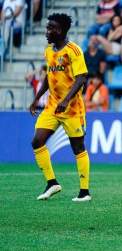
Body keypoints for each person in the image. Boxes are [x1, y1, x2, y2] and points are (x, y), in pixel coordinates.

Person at [29, 13, 91, 202]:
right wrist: (36, 98)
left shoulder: (74, 50)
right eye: (47, 28)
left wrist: (66, 100)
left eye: (51, 28)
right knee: (37, 141)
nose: (47, 32)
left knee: (78, 147)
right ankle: (52, 183)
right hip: (52, 106)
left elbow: (81, 78)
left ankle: (84, 192)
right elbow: (49, 77)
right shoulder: (49, 51)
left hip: (72, 108)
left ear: (61, 30)